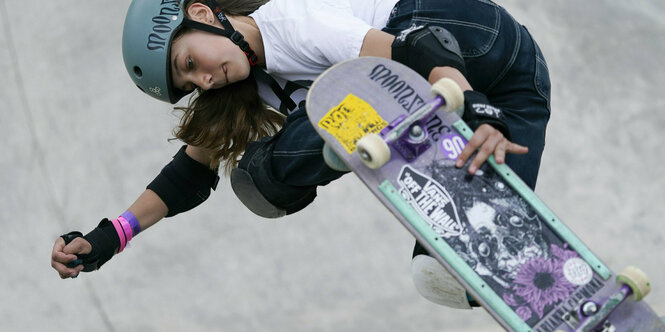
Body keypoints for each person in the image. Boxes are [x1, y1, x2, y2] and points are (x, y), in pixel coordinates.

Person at [51, 0, 551, 310]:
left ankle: (354, 126)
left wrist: (480, 111)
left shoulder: (292, 21)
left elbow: (419, 47)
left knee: (273, 162)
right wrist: (107, 238)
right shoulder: (243, 85)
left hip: (465, 38)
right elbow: (188, 174)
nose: (203, 79)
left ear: (202, 13)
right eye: (189, 84)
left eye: (189, 62)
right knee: (452, 273)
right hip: (522, 91)